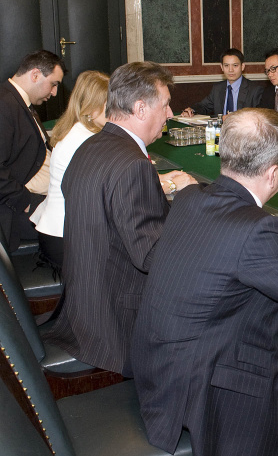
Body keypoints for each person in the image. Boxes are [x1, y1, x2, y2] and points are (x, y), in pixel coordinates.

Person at [132, 108, 278, 456]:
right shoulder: (259, 230)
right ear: (273, 173)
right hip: (208, 390)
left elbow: (226, 250)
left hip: (161, 368)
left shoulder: (192, 198)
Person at [42, 61, 196, 374]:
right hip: (115, 324)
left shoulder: (89, 145)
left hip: (84, 306)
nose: (170, 114)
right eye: (165, 105)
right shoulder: (133, 164)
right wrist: (192, 208)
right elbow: (152, 257)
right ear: (141, 108)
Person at [28, 71, 108, 269]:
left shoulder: (78, 129)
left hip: (55, 234)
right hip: (65, 242)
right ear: (92, 107)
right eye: (110, 105)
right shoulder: (86, 139)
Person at [0, 50, 65, 251]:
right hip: (14, 213)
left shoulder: (16, 101)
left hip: (33, 200)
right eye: (53, 84)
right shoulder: (4, 105)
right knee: (86, 226)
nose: (54, 93)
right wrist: (28, 202)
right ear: (35, 75)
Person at [180, 48, 263, 117]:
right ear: (221, 67)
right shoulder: (217, 88)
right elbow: (204, 106)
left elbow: (258, 117)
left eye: (235, 65)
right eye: (226, 65)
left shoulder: (254, 89)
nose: (230, 70)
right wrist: (192, 110)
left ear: (242, 66)